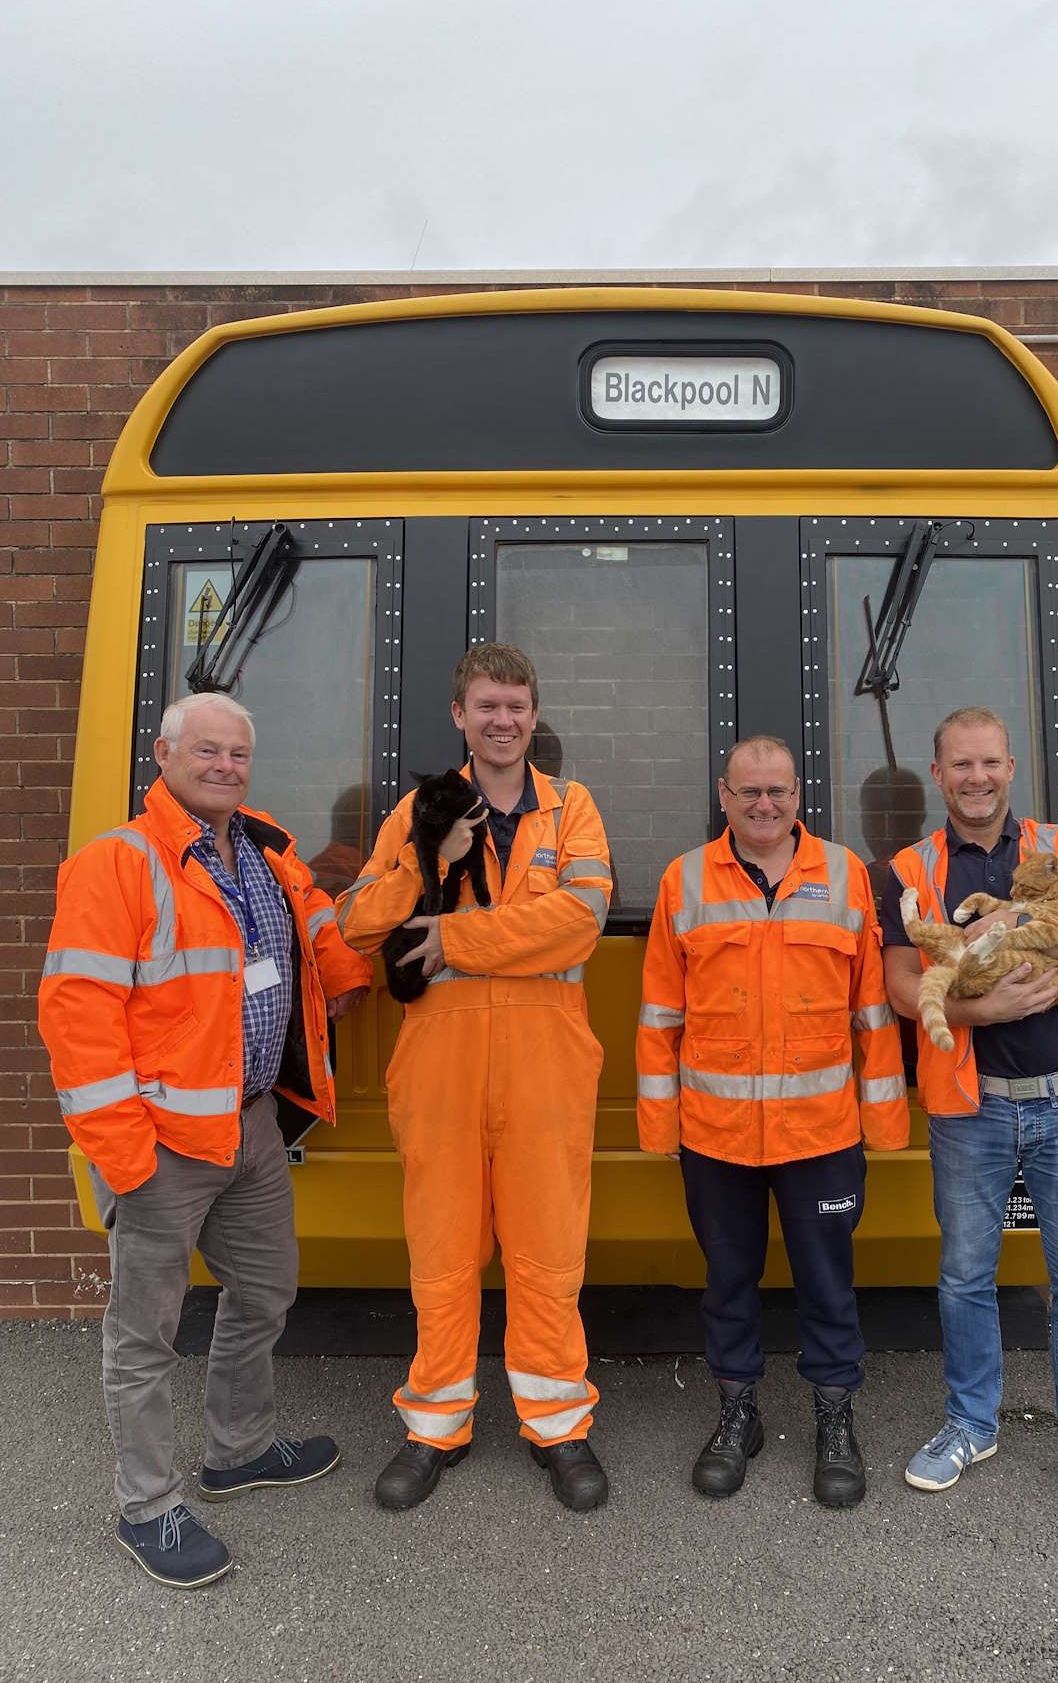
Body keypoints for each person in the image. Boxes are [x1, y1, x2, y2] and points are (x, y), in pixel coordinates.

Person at [38, 692, 372, 1589]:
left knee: (265, 1290)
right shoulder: (119, 863)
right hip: (163, 1143)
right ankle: (146, 1507)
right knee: (144, 1336)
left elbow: (310, 917)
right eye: (207, 752)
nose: (225, 767)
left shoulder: (263, 848)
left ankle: (239, 1449)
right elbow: (75, 1017)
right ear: (164, 754)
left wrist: (341, 969)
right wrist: (125, 1156)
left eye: (238, 755)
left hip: (252, 1123)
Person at [337, 643, 613, 1514]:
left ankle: (558, 1425)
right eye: (487, 706)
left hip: (545, 1065)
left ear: (535, 717)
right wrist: (428, 861)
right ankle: (434, 1427)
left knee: (547, 1251)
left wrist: (455, 938)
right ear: (460, 716)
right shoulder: (419, 812)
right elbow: (355, 921)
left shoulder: (572, 810)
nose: (503, 720)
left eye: (517, 706)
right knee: (443, 1251)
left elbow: (581, 921)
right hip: (441, 1066)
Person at [881, 706, 1058, 1536]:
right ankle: (972, 1425)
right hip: (969, 1110)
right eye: (960, 766)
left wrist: (1021, 928)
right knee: (965, 1278)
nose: (977, 779)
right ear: (938, 775)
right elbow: (901, 986)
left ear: (1011, 768)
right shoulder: (907, 867)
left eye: (990, 764)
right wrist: (982, 1008)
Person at [636, 735, 909, 1507]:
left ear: (800, 796)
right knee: (728, 1283)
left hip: (821, 1134)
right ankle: (737, 1415)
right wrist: (661, 1130)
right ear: (723, 795)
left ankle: (834, 1418)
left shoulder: (846, 875)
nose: (765, 805)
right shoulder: (683, 880)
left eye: (779, 792)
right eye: (749, 792)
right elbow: (659, 1017)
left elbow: (873, 1012)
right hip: (715, 1136)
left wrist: (884, 1123)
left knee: (829, 1284)